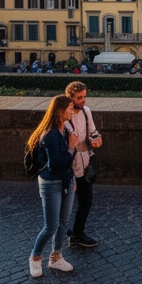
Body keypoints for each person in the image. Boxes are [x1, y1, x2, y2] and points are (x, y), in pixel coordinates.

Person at [27, 95, 77, 277]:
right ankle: (35, 257)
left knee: (63, 222)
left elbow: (67, 164)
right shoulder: (49, 134)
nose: (72, 111)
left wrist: (73, 180)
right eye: (70, 108)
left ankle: (56, 256)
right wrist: (72, 147)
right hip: (51, 182)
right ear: (59, 111)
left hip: (67, 180)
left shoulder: (65, 129)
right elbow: (56, 165)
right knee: (51, 226)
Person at [64, 81, 102, 249]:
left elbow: (92, 131)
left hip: (85, 164)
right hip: (68, 168)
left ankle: (77, 234)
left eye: (84, 96)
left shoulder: (87, 112)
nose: (83, 100)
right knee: (64, 205)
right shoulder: (63, 115)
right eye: (79, 98)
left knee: (86, 201)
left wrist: (95, 138)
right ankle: (62, 236)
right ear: (70, 98)